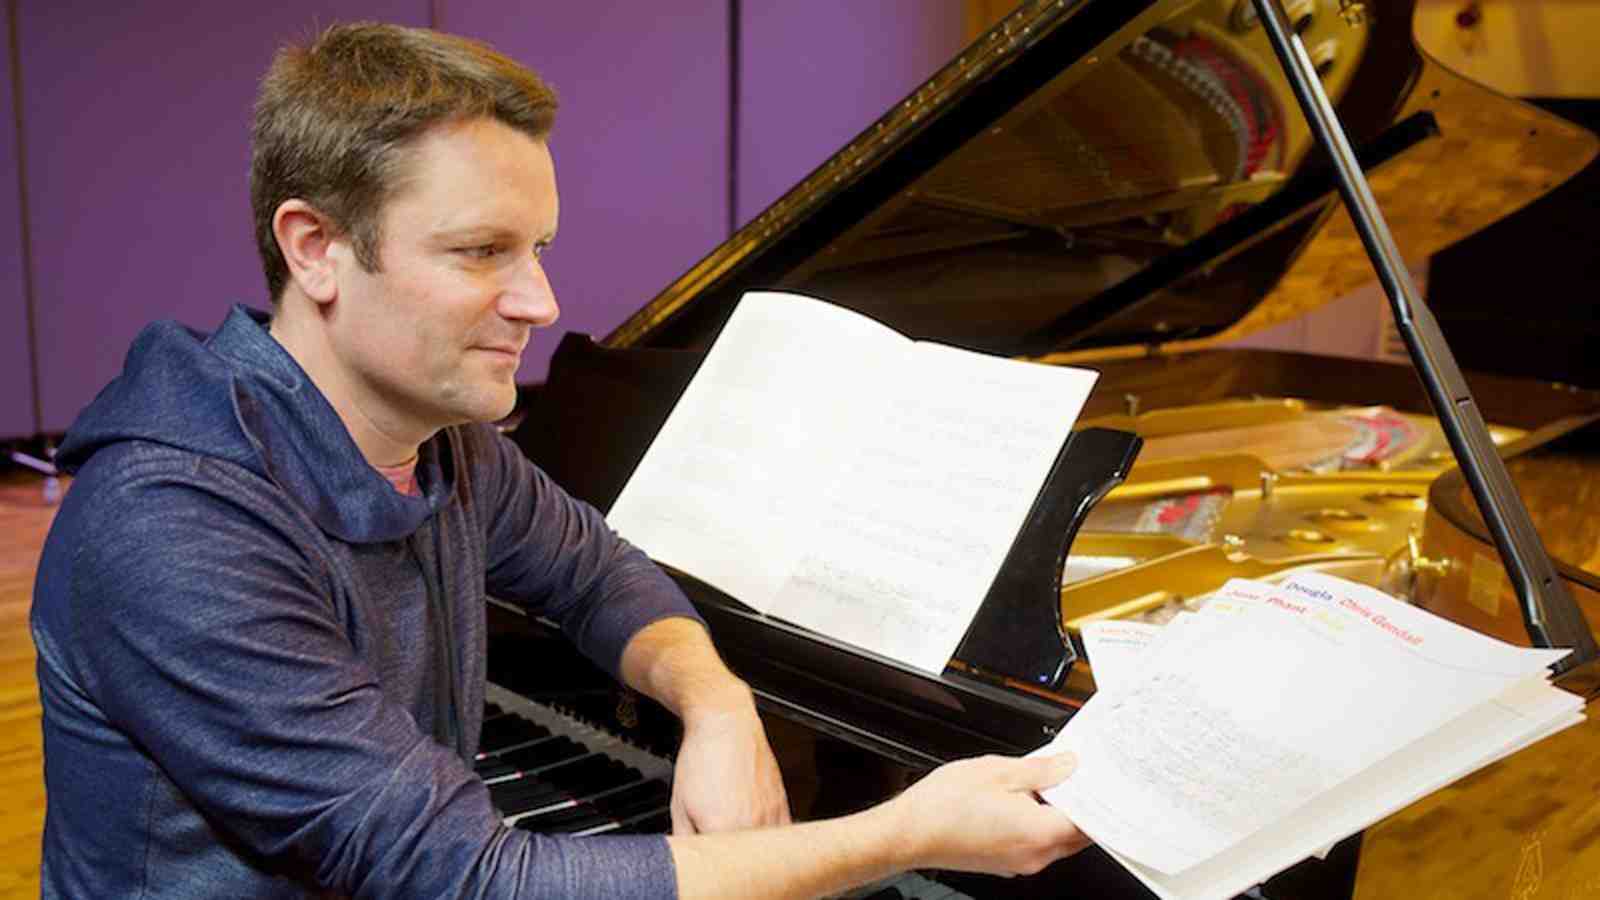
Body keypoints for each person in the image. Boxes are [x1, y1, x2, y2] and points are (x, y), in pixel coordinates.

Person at [30, 21, 1089, 899]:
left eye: (535, 248)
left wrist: (718, 704)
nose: (542, 303)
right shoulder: (173, 526)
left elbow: (597, 573)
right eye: (480, 251)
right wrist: (900, 836)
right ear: (316, 248)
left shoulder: (445, 444)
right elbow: (475, 882)